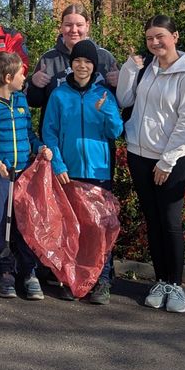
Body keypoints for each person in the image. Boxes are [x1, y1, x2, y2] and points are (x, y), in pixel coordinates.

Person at [116, 15, 185, 315]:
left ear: (175, 36)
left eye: (160, 36)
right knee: (152, 221)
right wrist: (130, 68)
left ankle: (176, 285)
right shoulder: (146, 70)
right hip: (139, 155)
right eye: (150, 37)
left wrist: (166, 161)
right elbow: (124, 98)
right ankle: (161, 281)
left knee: (170, 222)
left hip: (171, 160)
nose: (155, 42)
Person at [41, 39, 125, 304]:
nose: (82, 66)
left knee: (100, 229)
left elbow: (116, 132)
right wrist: (58, 165)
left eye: (88, 62)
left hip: (99, 172)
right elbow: (49, 133)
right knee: (71, 228)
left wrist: (108, 111)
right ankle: (71, 278)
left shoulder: (104, 95)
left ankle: (102, 280)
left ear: (94, 66)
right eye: (78, 61)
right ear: (71, 64)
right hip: (69, 172)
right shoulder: (59, 95)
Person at [0, 51, 51, 300]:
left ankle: (28, 271)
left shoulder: (21, 101)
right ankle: (4, 271)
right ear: (8, 77)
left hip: (25, 173)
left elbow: (29, 134)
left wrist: (40, 148)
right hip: (1, 175)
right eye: (21, 74)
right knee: (0, 224)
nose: (24, 78)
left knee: (26, 221)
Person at [27, 5, 117, 108]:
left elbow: (121, 102)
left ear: (87, 26)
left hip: (96, 123)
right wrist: (34, 83)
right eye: (68, 25)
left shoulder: (105, 58)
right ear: (61, 26)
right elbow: (34, 102)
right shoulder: (48, 59)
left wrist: (121, 83)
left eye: (79, 25)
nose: (74, 30)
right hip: (58, 124)